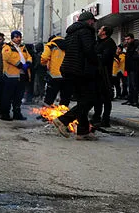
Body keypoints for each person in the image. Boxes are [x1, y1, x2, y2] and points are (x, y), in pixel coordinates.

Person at [53, 12, 98, 140]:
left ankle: (83, 131)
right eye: (92, 21)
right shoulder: (86, 31)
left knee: (82, 100)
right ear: (89, 21)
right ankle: (63, 120)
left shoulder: (71, 32)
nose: (93, 23)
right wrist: (97, 61)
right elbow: (89, 50)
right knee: (89, 100)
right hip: (80, 70)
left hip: (69, 69)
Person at [0, 30, 32, 121]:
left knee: (19, 96)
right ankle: (5, 114)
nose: (18, 39)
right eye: (16, 37)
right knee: (8, 96)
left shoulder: (23, 47)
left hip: (22, 75)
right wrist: (20, 65)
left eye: (19, 37)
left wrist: (28, 63)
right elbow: (7, 57)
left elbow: (29, 56)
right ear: (12, 38)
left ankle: (17, 113)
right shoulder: (7, 47)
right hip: (10, 76)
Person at [92, 25, 116, 127]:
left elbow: (105, 58)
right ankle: (96, 117)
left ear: (104, 32)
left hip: (105, 74)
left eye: (100, 29)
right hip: (97, 74)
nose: (98, 30)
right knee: (97, 98)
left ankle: (106, 119)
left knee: (106, 98)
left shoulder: (109, 43)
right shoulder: (99, 42)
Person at [41, 34, 70, 106]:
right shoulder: (68, 44)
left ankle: (46, 115)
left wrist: (44, 64)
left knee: (49, 97)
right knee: (65, 98)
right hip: (66, 75)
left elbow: (44, 58)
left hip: (54, 76)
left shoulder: (50, 45)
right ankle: (63, 115)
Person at [123, 33, 139, 105]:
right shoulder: (128, 46)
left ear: (132, 38)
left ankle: (135, 100)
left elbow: (136, 56)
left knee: (134, 85)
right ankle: (130, 99)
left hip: (134, 68)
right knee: (129, 85)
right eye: (126, 39)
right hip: (128, 68)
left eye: (128, 39)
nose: (127, 41)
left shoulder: (136, 44)